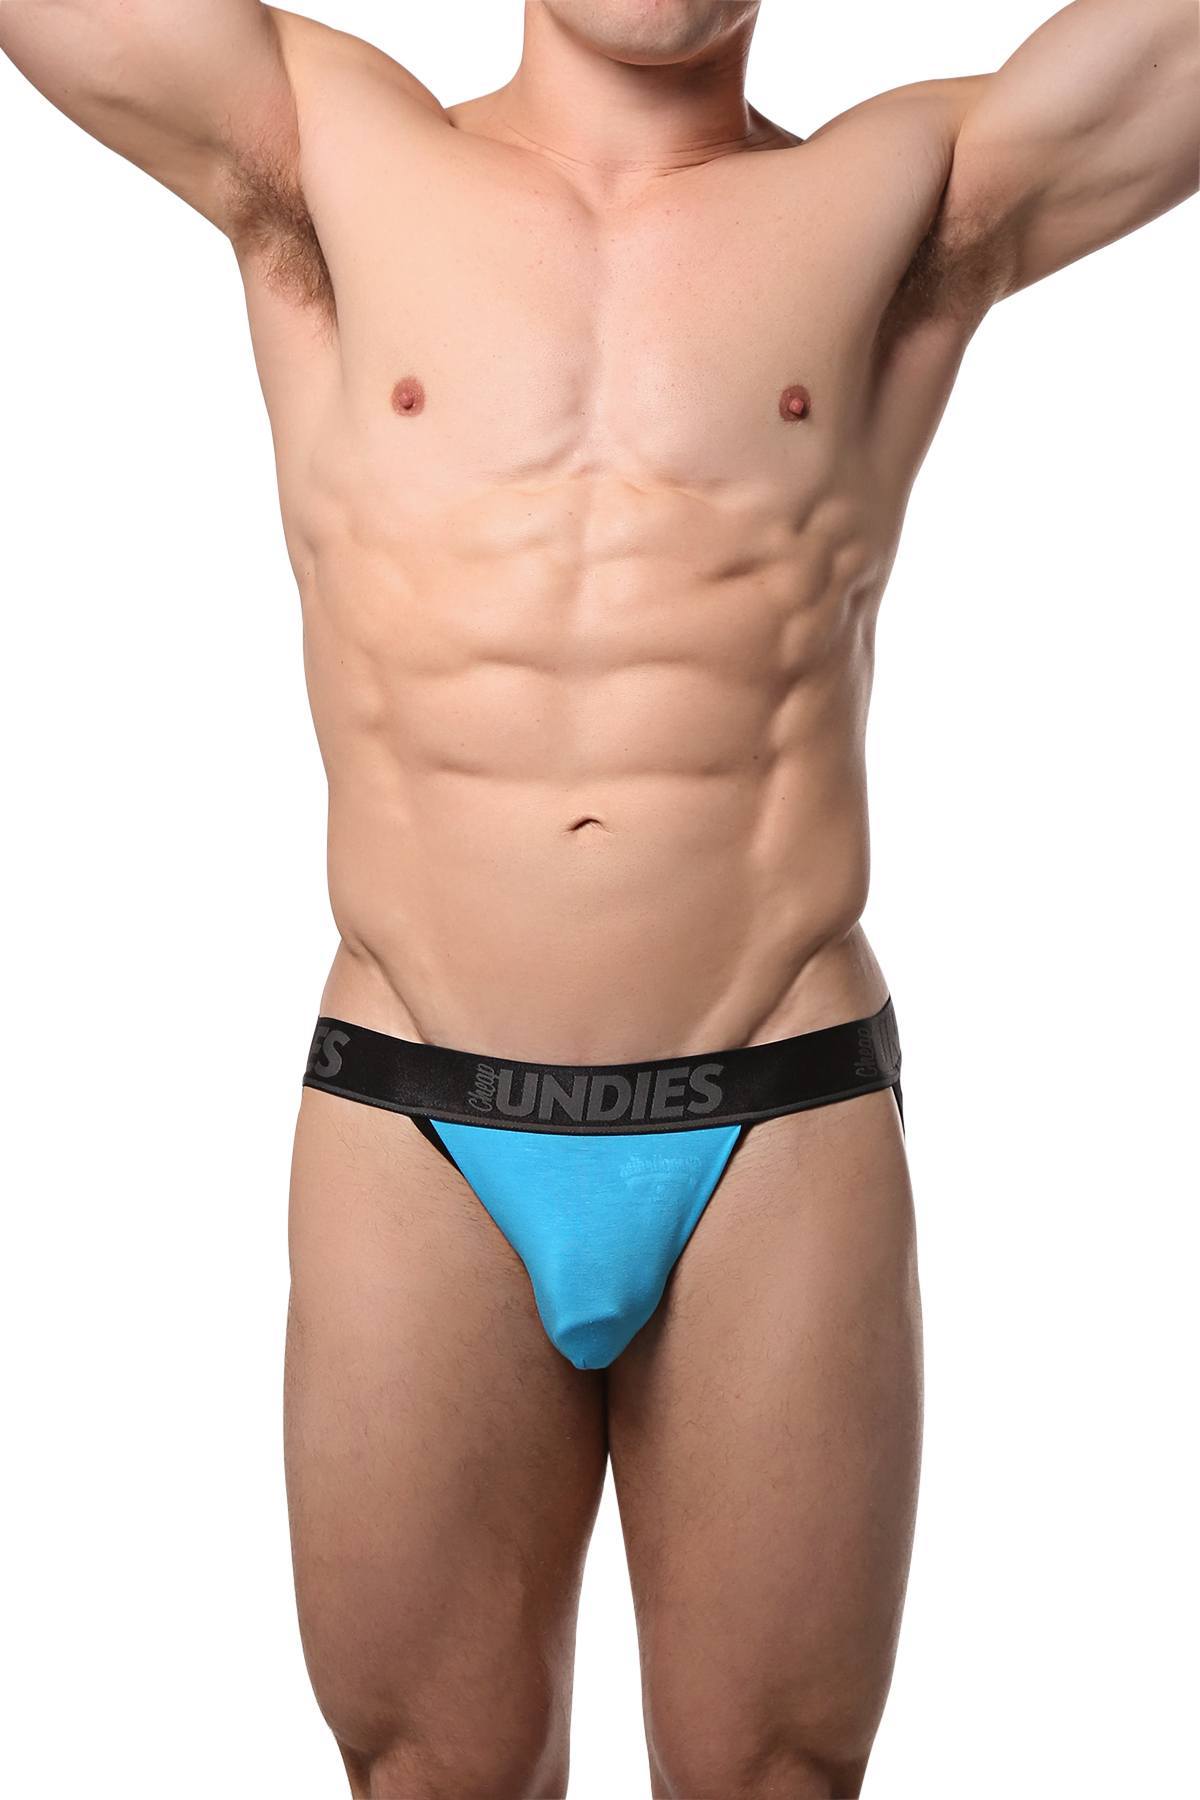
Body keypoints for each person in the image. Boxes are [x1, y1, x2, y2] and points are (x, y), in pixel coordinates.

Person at [2, 1, 1195, 1794]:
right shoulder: (332, 150)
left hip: (772, 1112)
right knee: (432, 1775)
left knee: (775, 1781)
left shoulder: (906, 191)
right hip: (417, 1107)